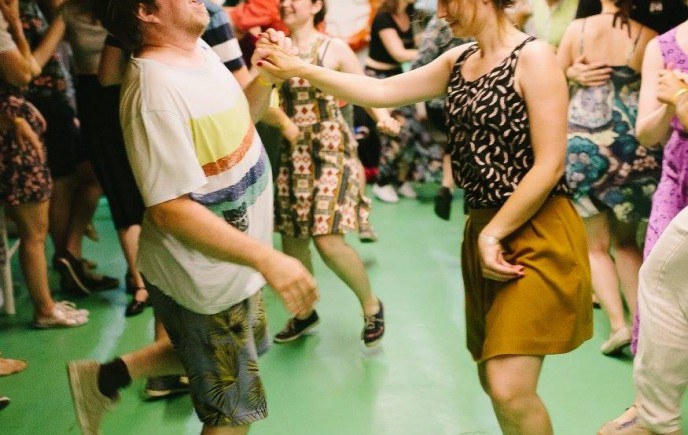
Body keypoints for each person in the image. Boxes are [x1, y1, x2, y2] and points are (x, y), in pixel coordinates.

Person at [257, 0, 593, 429]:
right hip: (484, 228)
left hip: (536, 229)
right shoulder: (459, 60)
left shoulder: (535, 57)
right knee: (494, 381)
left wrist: (494, 234)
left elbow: (550, 165)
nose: (440, 14)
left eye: (448, 3)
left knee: (508, 386)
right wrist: (299, 68)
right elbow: (380, 92)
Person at [65, 0, 318, 434]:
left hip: (231, 264)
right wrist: (268, 258)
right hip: (204, 276)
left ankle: (104, 378)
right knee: (232, 417)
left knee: (223, 350)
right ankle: (103, 379)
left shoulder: (197, 51)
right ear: (146, 12)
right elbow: (169, 210)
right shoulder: (156, 93)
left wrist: (267, 77)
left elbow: (242, 119)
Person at [271, 0, 396, 347]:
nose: (286, 4)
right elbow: (262, 101)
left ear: (316, 6)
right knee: (293, 238)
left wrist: (383, 117)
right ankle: (304, 313)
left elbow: (363, 88)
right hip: (291, 151)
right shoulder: (275, 49)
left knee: (327, 238)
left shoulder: (334, 48)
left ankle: (372, 306)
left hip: (330, 149)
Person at [598, 21, 688, 435]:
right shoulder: (663, 45)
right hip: (677, 178)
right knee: (657, 295)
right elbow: (647, 133)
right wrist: (670, 105)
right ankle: (645, 406)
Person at [557, 0, 659, 356]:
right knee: (627, 244)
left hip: (583, 146)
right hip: (630, 145)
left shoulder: (577, 30)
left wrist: (573, 73)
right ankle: (644, 329)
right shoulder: (649, 37)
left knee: (595, 247)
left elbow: (555, 78)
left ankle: (618, 326)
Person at [0, 0, 88, 328]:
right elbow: (24, 72)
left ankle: (46, 304)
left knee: (34, 229)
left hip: (17, 121)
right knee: (34, 229)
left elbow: (28, 72)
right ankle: (45, 309)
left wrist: (15, 27)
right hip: (12, 134)